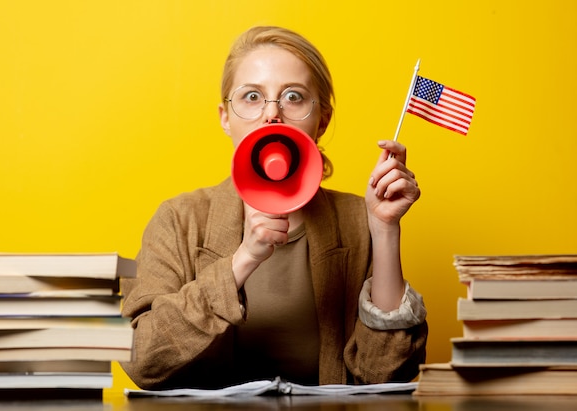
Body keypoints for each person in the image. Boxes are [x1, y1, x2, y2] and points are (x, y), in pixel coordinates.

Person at [120, 25, 428, 390]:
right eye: (252, 96)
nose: (272, 114)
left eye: (294, 96)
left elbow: (387, 375)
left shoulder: (359, 220)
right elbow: (142, 360)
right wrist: (244, 259)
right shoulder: (178, 219)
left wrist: (385, 231)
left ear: (321, 121)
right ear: (225, 117)